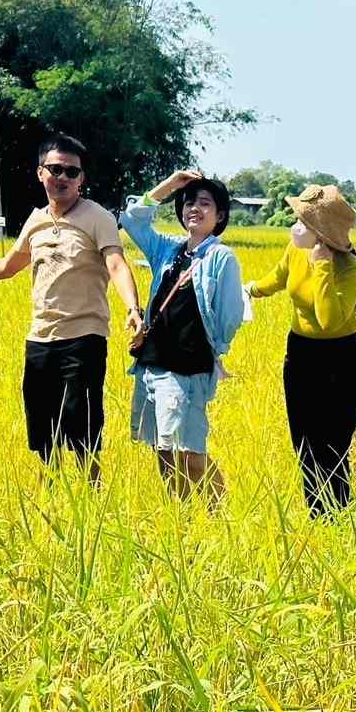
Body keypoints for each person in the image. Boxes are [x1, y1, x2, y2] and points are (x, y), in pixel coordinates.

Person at [0, 134, 144, 482]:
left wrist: (133, 307)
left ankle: (91, 493)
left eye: (71, 171)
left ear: (81, 179)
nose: (62, 177)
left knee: (82, 425)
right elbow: (7, 266)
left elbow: (116, 263)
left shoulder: (97, 217)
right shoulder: (36, 220)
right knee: (41, 427)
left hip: (84, 337)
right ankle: (49, 492)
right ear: (41, 173)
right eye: (55, 169)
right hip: (40, 339)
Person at [119, 170, 246, 502]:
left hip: (187, 368)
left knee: (189, 452)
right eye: (189, 203)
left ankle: (217, 513)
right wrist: (169, 186)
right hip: (151, 364)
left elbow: (230, 316)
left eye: (205, 203)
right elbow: (131, 220)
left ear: (220, 216)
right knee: (162, 447)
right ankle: (181, 514)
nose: (194, 209)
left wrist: (212, 351)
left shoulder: (220, 258)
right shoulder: (168, 250)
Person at [248, 184, 356, 517]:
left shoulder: (351, 269)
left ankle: (338, 516)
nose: (295, 228)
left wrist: (322, 267)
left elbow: (329, 320)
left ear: (322, 234)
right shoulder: (295, 249)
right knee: (304, 443)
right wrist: (251, 290)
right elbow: (278, 277)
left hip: (341, 360)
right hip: (301, 353)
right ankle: (316, 515)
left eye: (303, 223)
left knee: (333, 446)